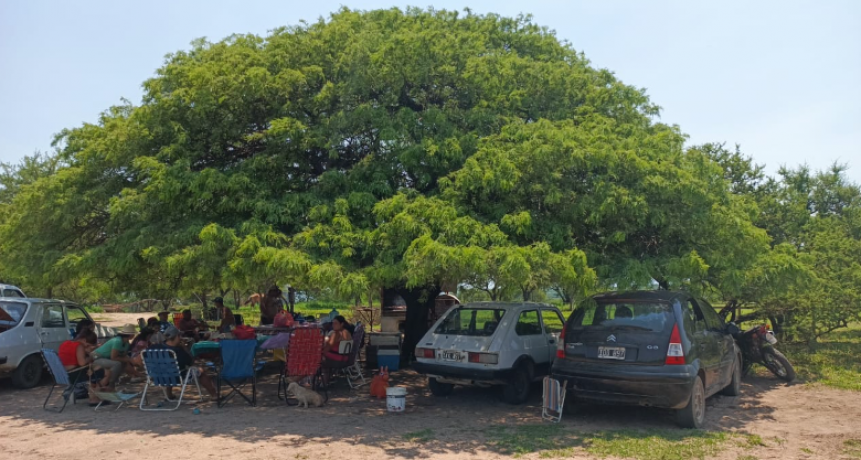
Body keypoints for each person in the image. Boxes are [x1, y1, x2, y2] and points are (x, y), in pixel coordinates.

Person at [147, 326, 218, 399]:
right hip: (176, 378)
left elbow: (142, 359)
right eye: (179, 336)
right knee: (200, 371)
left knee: (168, 369)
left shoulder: (153, 348)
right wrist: (184, 348)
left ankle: (169, 395)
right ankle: (214, 395)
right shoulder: (178, 350)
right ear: (177, 336)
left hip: (156, 377)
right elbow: (190, 362)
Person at [91, 324, 136, 388]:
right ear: (131, 335)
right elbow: (113, 357)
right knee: (117, 364)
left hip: (105, 358)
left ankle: (115, 381)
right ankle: (110, 383)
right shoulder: (117, 341)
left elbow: (123, 356)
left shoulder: (126, 343)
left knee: (122, 363)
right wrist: (129, 359)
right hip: (96, 358)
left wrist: (129, 360)